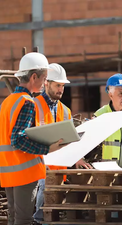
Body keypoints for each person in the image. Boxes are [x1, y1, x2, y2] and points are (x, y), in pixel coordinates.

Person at [0, 53, 64, 225]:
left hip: (8, 169)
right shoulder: (27, 102)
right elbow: (18, 139)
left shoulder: (7, 102)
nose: (44, 83)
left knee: (14, 217)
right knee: (24, 220)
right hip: (24, 172)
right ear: (34, 77)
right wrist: (48, 149)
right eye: (44, 78)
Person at [32, 63, 92, 224]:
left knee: (53, 215)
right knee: (41, 215)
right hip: (39, 172)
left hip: (59, 173)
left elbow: (69, 140)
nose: (61, 89)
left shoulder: (65, 111)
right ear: (46, 83)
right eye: (57, 85)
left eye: (63, 86)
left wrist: (78, 158)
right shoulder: (33, 105)